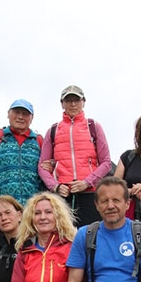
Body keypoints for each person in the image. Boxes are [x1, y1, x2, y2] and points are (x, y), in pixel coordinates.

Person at [38, 86, 113, 227]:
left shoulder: (94, 126)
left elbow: (106, 162)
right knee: (63, 240)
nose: (73, 104)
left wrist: (86, 182)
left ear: (83, 102)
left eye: (76, 100)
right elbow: (42, 167)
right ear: (62, 103)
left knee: (92, 238)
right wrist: (55, 186)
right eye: (68, 100)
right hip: (63, 195)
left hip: (90, 193)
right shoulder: (53, 130)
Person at [11, 192, 77, 282]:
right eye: (37, 213)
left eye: (48, 212)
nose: (42, 217)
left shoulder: (72, 248)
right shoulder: (24, 252)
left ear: (58, 216)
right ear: (31, 218)